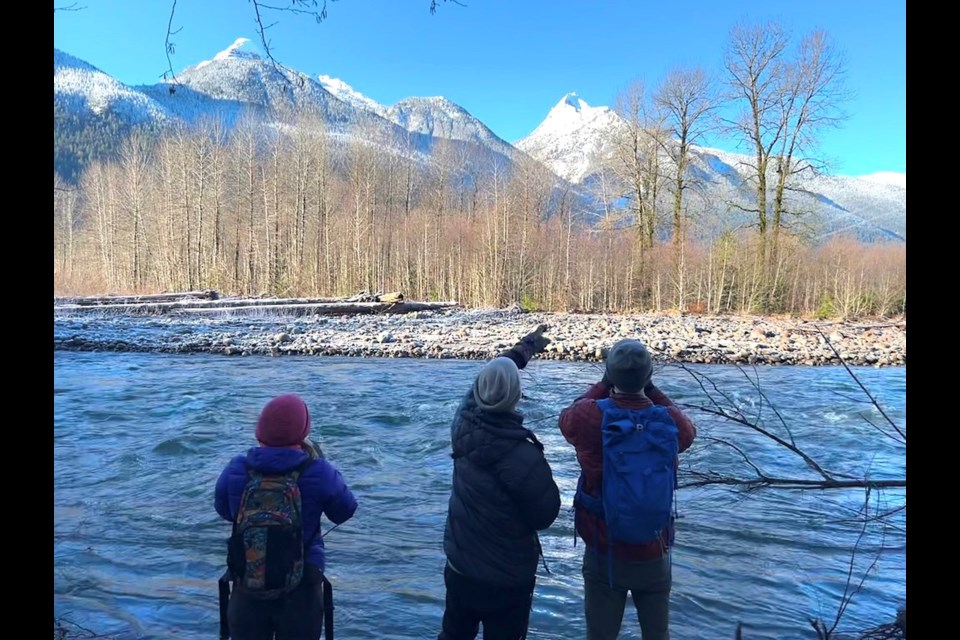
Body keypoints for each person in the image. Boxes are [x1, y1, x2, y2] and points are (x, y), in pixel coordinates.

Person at [558, 339, 696, 640]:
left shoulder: (589, 417)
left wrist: (602, 383)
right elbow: (689, 432)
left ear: (610, 374)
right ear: (647, 375)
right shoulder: (669, 422)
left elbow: (566, 417)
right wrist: (652, 389)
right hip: (654, 548)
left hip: (604, 549)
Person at [439, 325, 562, 640]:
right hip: (508, 579)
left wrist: (522, 350)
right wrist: (526, 350)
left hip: (461, 568)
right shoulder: (524, 455)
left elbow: (481, 383)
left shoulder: (461, 427)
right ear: (517, 397)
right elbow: (545, 515)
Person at [215, 393, 358, 640]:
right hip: (302, 582)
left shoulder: (237, 467)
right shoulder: (319, 470)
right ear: (303, 430)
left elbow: (225, 511)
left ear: (260, 429)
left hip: (248, 575)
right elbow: (345, 511)